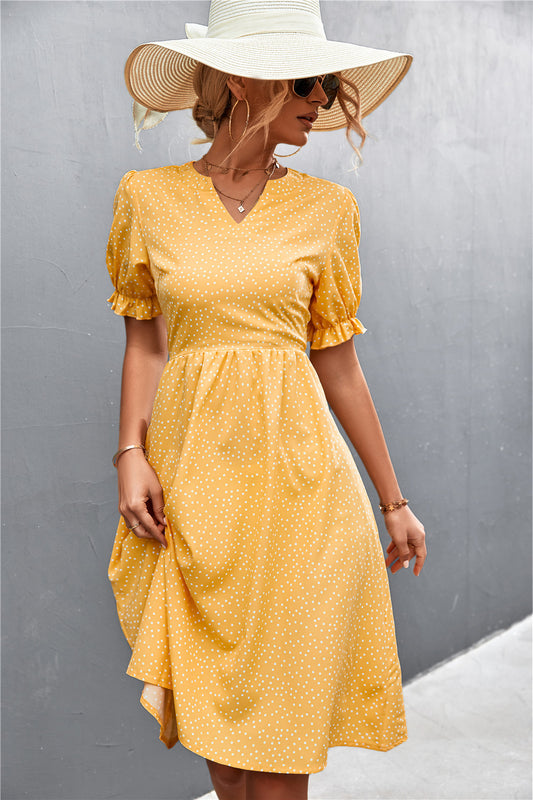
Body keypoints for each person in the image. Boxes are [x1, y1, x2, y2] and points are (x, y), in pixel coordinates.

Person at [105, 1, 427, 798]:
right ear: (247, 82)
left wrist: (393, 502)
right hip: (194, 494)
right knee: (222, 743)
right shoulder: (146, 198)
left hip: (302, 495)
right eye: (309, 83)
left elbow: (339, 367)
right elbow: (145, 343)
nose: (325, 100)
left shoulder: (328, 209)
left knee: (279, 748)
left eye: (329, 84)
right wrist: (130, 454)